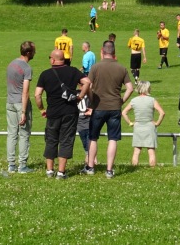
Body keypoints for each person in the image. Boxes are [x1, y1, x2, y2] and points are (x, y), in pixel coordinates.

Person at [34, 49, 91, 179]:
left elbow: (37, 95)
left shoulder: (45, 74)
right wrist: (80, 96)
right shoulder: (73, 71)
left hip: (53, 112)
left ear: (53, 60)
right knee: (66, 140)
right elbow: (87, 82)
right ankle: (61, 172)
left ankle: (49, 170)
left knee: (51, 139)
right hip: (70, 111)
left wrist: (42, 109)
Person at [81, 40, 134, 178]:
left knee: (93, 137)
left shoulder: (95, 67)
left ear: (102, 51)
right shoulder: (121, 68)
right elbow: (130, 88)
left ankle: (90, 167)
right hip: (114, 108)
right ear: (114, 52)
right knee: (113, 138)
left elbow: (88, 86)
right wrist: (121, 101)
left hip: (98, 107)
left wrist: (91, 100)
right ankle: (109, 170)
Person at [6, 41, 36, 173]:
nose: (35, 53)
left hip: (10, 102)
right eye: (34, 51)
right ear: (29, 53)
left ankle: (11, 164)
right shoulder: (26, 68)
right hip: (20, 104)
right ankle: (22, 165)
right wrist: (24, 112)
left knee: (12, 134)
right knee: (24, 134)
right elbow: (25, 92)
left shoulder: (11, 64)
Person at [122, 81, 165, 167]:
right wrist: (157, 123)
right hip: (150, 126)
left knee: (136, 151)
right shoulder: (152, 100)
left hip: (138, 127)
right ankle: (153, 169)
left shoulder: (134, 100)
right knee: (151, 151)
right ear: (147, 88)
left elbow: (124, 112)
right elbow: (162, 113)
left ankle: (134, 168)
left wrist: (130, 123)